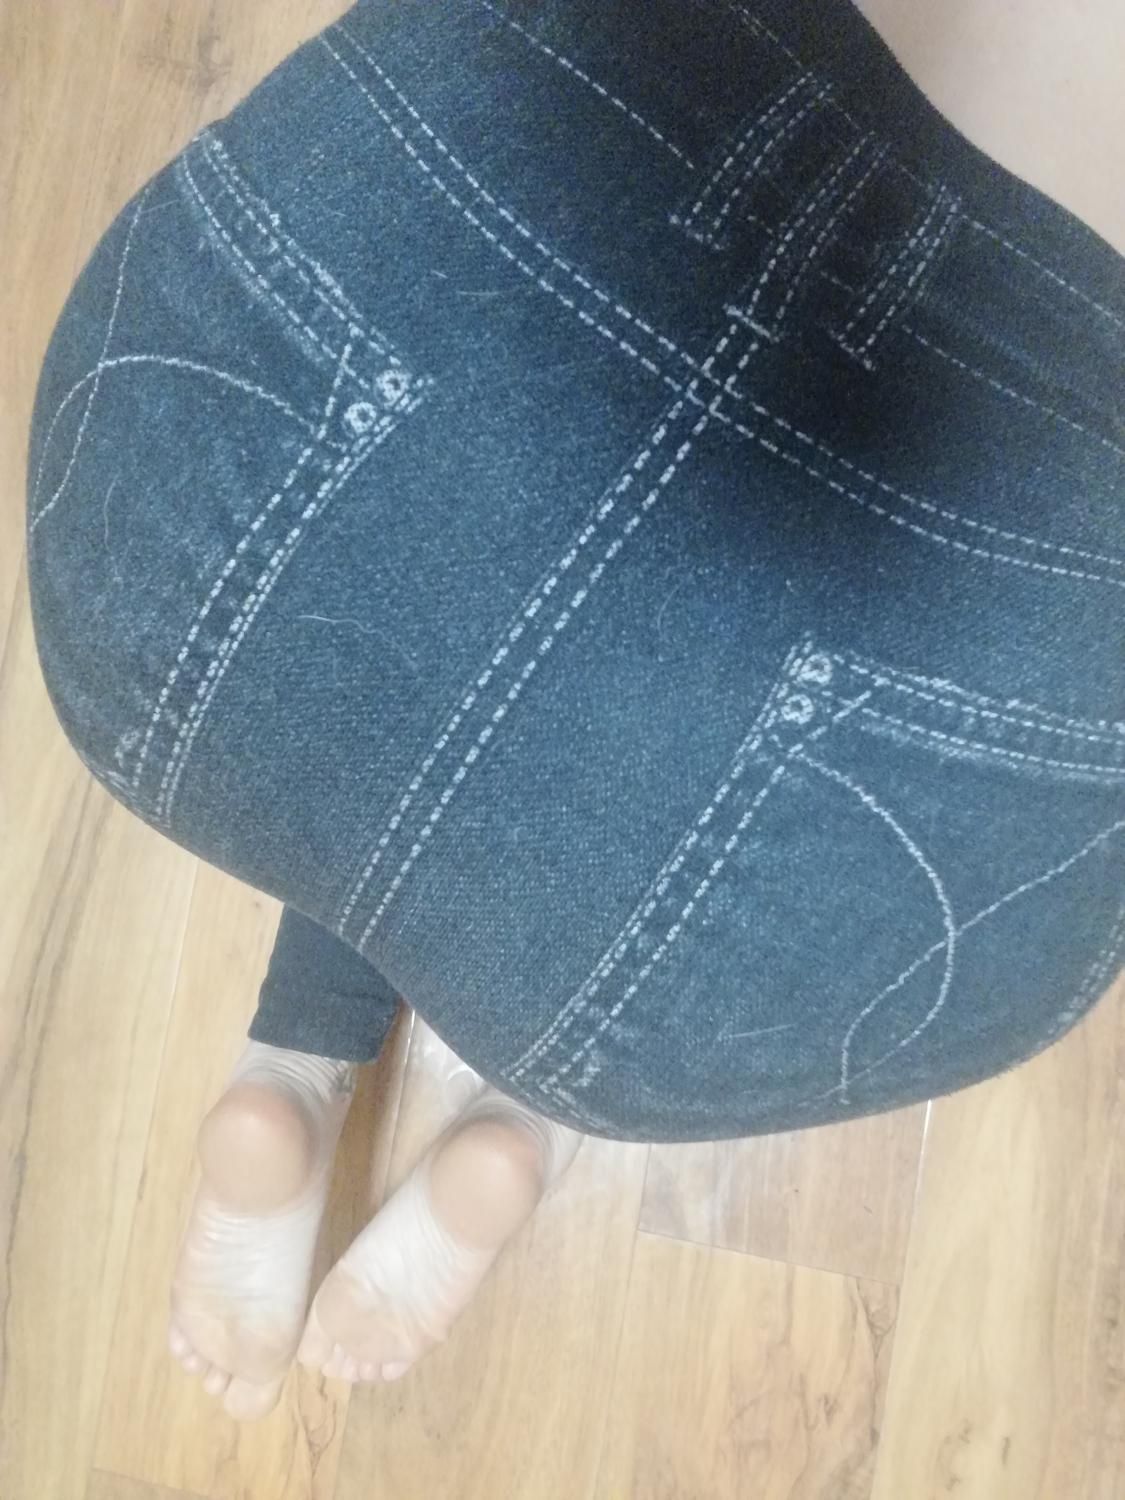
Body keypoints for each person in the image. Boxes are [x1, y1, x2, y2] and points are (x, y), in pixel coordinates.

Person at [24, 0, 1124, 1423]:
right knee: (654, 798)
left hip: (192, 565)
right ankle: (527, 1103)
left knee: (429, 550)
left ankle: (297, 1053)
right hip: (728, 922)